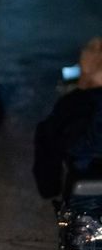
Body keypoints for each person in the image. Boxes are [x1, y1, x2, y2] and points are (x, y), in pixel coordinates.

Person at [33, 37, 102, 199]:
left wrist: (49, 188)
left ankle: (52, 188)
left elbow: (51, 140)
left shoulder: (75, 101)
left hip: (86, 162)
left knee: (49, 132)